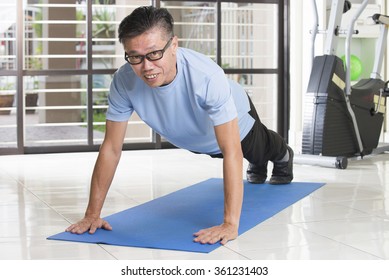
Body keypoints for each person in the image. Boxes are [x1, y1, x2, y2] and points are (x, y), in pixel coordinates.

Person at [66, 6, 293, 245]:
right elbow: (111, 148)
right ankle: (257, 165)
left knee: (259, 148)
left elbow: (231, 151)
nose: (146, 67)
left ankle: (283, 155)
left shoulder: (205, 76)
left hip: (234, 119)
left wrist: (229, 224)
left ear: (174, 45)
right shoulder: (124, 81)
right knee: (247, 157)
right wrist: (92, 214)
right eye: (135, 57)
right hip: (197, 138)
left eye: (154, 54)